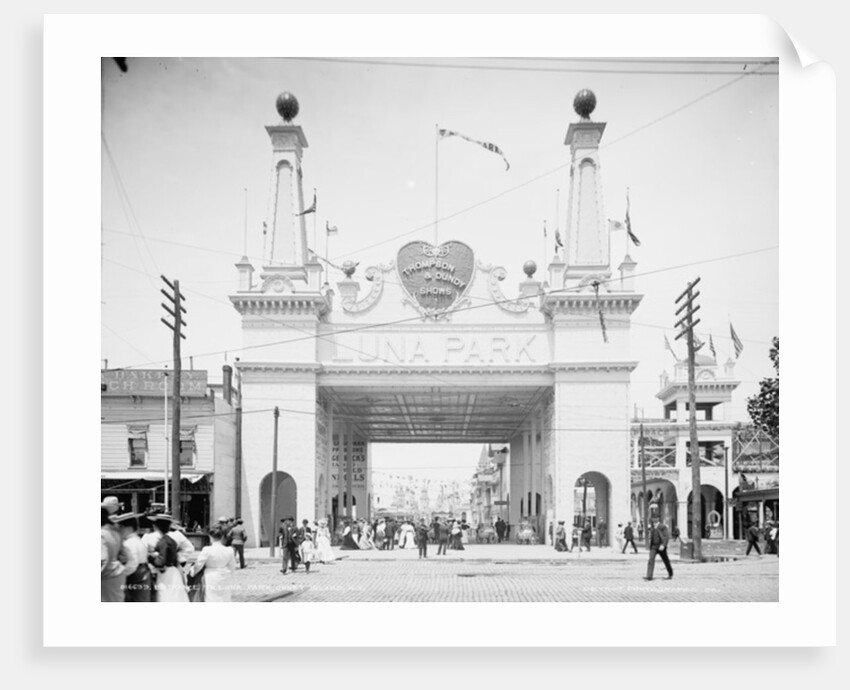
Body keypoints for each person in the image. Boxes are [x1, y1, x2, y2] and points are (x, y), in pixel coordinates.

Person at [145, 513, 190, 601]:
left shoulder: (163, 541)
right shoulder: (171, 540)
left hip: (165, 573)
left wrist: (150, 557)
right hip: (173, 571)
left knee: (166, 596)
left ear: (156, 527)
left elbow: (160, 562)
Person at [191, 527, 236, 601]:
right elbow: (232, 566)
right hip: (224, 575)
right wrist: (231, 577)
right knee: (225, 598)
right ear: (222, 537)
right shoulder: (229, 550)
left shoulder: (207, 549)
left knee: (211, 598)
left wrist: (192, 572)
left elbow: (199, 564)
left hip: (210, 576)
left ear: (210, 537)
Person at [114, 512, 152, 602]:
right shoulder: (137, 539)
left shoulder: (129, 543)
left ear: (129, 528)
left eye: (121, 527)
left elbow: (132, 564)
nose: (119, 530)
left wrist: (120, 574)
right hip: (143, 573)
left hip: (136, 576)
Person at [101, 506, 129, 602]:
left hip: (105, 578)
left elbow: (102, 559)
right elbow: (124, 556)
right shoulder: (115, 533)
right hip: (118, 575)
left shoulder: (101, 535)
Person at [644, 516, 673, 581]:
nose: (653, 520)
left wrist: (663, 545)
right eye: (653, 519)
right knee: (651, 560)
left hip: (660, 546)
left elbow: (666, 536)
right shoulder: (652, 527)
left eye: (655, 519)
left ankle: (670, 573)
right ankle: (649, 576)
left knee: (666, 560)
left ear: (658, 519)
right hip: (653, 547)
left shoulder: (662, 526)